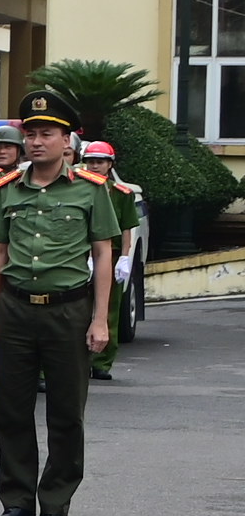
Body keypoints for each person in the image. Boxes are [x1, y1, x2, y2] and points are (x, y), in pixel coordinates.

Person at [0, 89, 117, 516]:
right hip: (16, 310)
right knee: (11, 410)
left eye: (47, 134)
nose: (37, 142)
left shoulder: (90, 190)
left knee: (66, 412)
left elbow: (103, 254)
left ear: (66, 140)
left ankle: (56, 502)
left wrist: (100, 319)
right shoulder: (7, 189)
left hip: (67, 311)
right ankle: (17, 500)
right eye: (31, 134)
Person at [86, 141, 143, 380]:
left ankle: (102, 362)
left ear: (110, 165)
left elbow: (127, 227)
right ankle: (77, 361)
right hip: (80, 255)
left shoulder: (121, 194)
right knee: (77, 311)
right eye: (91, 161)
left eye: (100, 162)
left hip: (111, 255)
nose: (95, 166)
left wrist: (125, 258)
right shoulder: (77, 189)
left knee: (109, 310)